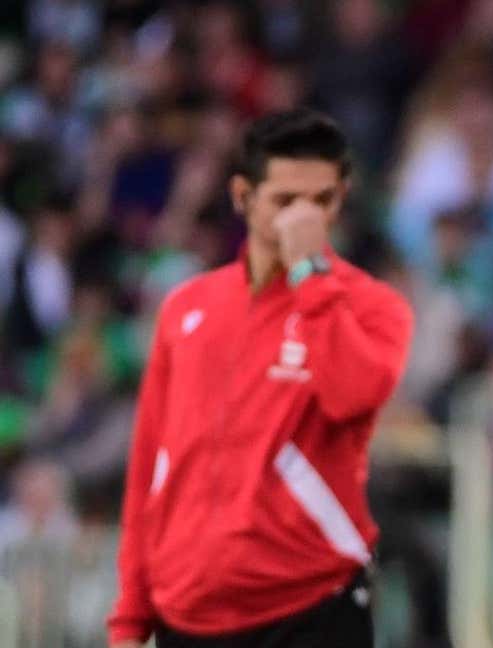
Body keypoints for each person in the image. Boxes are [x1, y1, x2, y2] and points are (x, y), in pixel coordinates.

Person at [107, 108, 414, 648]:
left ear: (341, 199)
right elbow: (152, 467)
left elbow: (350, 397)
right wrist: (131, 619)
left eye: (321, 201)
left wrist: (310, 278)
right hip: (189, 613)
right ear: (243, 196)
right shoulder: (186, 309)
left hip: (309, 610)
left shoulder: (373, 308)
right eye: (285, 201)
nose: (304, 219)